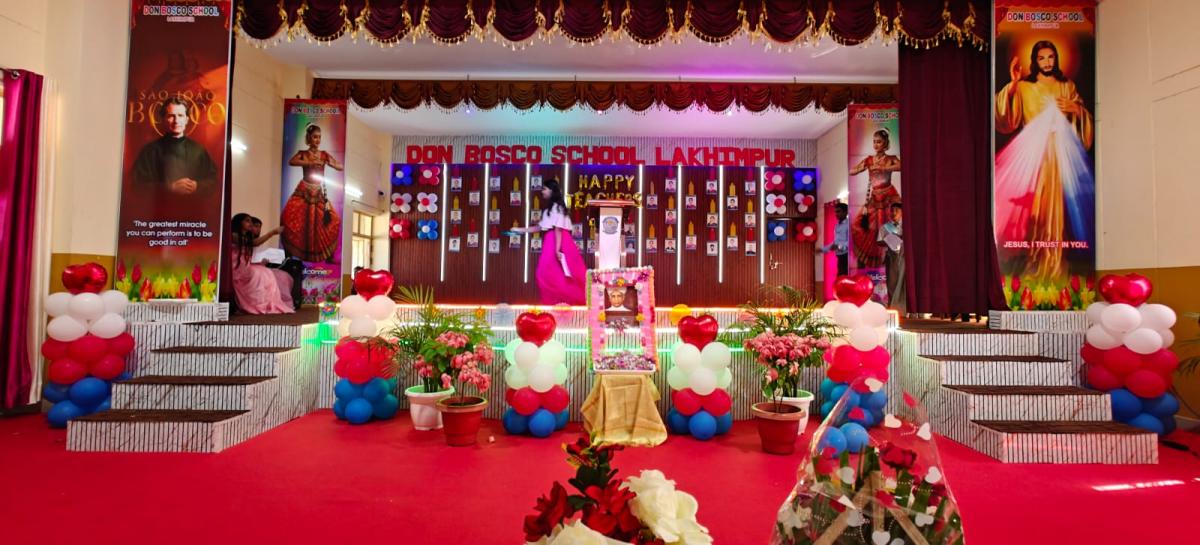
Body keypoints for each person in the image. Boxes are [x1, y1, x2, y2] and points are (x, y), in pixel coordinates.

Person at [995, 39, 1094, 281]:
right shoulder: (1025, 87)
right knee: (1033, 208)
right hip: (1033, 154)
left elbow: (1083, 120)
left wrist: (1076, 110)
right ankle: (1033, 261)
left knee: (1056, 211)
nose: (1047, 62)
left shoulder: (1067, 86)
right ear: (1035, 61)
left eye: (1051, 57)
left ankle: (1054, 262)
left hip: (1059, 154)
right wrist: (1013, 83)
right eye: (1042, 58)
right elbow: (1006, 118)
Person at [511, 178, 587, 305]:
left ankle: (573, 299)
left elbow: (558, 229)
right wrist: (520, 230)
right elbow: (540, 227)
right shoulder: (549, 210)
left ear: (551, 190)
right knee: (548, 273)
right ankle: (556, 301)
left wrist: (557, 249)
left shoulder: (558, 208)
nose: (542, 191)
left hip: (558, 241)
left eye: (544, 189)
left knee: (554, 272)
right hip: (552, 240)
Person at [131, 97, 218, 197]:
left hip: (192, 205)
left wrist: (197, 186)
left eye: (180, 115)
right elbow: (138, 185)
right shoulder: (150, 151)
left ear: (186, 120)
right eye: (171, 116)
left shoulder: (199, 150)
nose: (176, 121)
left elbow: (214, 181)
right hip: (161, 206)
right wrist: (169, 188)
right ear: (164, 119)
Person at [282, 124, 343, 263]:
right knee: (289, 218)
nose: (317, 140)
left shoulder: (324, 155)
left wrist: (331, 163)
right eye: (315, 137)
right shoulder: (303, 153)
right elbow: (291, 161)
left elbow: (340, 166)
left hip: (318, 192)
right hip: (304, 190)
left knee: (332, 220)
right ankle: (289, 256)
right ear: (309, 138)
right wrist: (308, 162)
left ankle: (328, 257)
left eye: (319, 137)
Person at [849, 129, 901, 270]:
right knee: (861, 226)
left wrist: (885, 168)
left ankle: (892, 260)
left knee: (888, 228)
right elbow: (852, 171)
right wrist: (862, 167)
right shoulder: (869, 160)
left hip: (889, 197)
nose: (876, 145)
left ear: (885, 144)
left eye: (879, 142)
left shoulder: (891, 158)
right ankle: (872, 260)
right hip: (875, 198)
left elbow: (901, 165)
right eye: (874, 142)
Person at [230, 213, 294, 315]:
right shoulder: (233, 235)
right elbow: (254, 243)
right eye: (247, 221)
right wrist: (272, 232)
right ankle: (256, 304)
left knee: (266, 272)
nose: (250, 223)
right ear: (239, 222)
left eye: (251, 221)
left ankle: (264, 303)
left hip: (244, 265)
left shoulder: (246, 236)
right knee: (260, 274)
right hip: (235, 266)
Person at [877, 203, 905, 314]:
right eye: (891, 210)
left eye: (896, 210)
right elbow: (878, 241)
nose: (893, 213)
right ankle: (893, 309)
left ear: (902, 212)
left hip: (904, 257)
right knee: (892, 282)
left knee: (904, 283)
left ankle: (905, 309)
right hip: (892, 256)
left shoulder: (906, 225)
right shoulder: (885, 227)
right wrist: (889, 240)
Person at [819, 203, 850, 276]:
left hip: (847, 257)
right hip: (840, 256)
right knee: (840, 278)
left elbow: (851, 241)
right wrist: (823, 249)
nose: (836, 214)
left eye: (838, 211)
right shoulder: (837, 225)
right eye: (835, 212)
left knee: (843, 278)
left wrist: (839, 246)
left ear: (846, 212)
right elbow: (836, 242)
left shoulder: (849, 224)